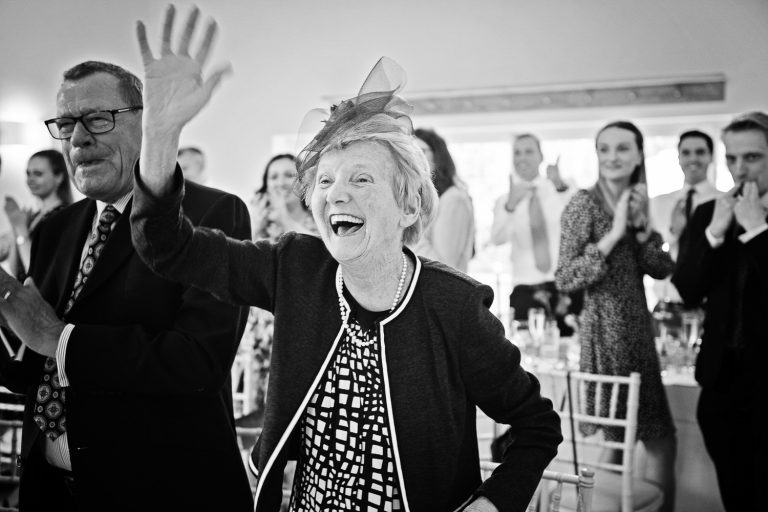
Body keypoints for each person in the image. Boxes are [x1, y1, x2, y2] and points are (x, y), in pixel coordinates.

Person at [128, 7, 561, 512]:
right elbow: (168, 246)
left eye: (361, 179)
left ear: (409, 206)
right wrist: (158, 136)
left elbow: (536, 425)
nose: (336, 195)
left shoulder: (454, 305)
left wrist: (491, 504)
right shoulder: (295, 268)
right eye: (325, 181)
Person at [0, 57, 253, 511]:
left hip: (161, 491)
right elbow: (27, 369)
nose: (78, 138)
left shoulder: (210, 216)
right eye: (66, 123)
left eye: (97, 118)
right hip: (52, 491)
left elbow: (197, 361)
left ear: (147, 122)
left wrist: (60, 339)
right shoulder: (55, 229)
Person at [555, 121, 677, 512]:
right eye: (604, 148)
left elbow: (661, 267)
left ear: (640, 154)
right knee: (644, 441)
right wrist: (613, 234)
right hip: (605, 334)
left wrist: (641, 230)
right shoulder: (583, 203)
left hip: (639, 333)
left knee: (631, 443)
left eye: (622, 148)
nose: (612, 157)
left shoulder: (639, 201)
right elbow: (566, 277)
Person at [673, 111, 768, 511]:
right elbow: (689, 290)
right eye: (732, 158)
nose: (739, 169)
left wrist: (758, 231)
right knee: (736, 492)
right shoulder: (709, 213)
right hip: (720, 381)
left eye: (753, 158)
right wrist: (715, 232)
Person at [243, 153, 317, 418]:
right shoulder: (262, 223)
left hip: (300, 321)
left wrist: (285, 215)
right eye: (273, 176)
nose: (280, 182)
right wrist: (255, 227)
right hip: (262, 323)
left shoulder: (316, 221)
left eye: (288, 175)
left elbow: (310, 263)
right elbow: (244, 269)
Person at [491, 133, 581, 335]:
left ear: (541, 156)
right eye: (517, 152)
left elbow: (579, 219)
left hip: (565, 287)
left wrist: (559, 186)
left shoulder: (562, 188)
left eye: (529, 151)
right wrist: (511, 206)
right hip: (525, 290)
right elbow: (497, 239)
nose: (522, 157)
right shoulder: (505, 200)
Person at [649, 130, 719, 310]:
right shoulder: (659, 203)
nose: (693, 159)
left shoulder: (724, 203)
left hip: (708, 306)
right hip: (665, 306)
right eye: (686, 153)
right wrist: (673, 232)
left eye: (700, 152)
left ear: (711, 156)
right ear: (678, 157)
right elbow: (650, 255)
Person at [411, 128, 475, 272]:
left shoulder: (454, 199)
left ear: (437, 156)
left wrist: (406, 230)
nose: (414, 157)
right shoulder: (422, 200)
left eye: (421, 151)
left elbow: (445, 266)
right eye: (409, 151)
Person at [4, 149, 74, 277]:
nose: (30, 179)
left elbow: (36, 271)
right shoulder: (33, 216)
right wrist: (15, 225)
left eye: (38, 174)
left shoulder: (65, 216)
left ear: (59, 177)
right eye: (28, 173)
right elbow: (16, 272)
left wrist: (20, 228)